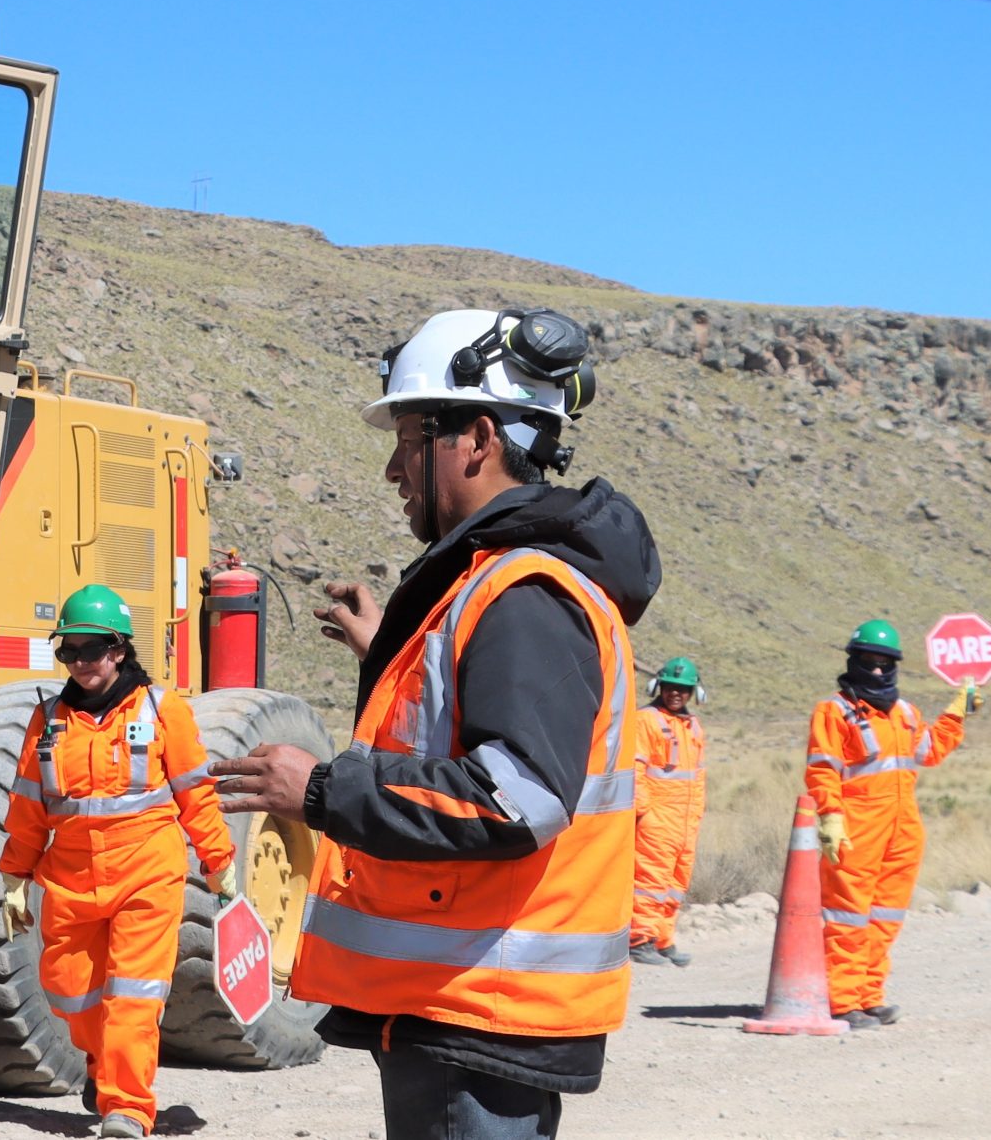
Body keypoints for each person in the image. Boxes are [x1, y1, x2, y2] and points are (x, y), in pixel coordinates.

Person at [214, 307, 660, 1140]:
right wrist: (385, 647)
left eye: (410, 435)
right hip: (461, 1004)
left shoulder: (523, 595)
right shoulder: (494, 586)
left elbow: (516, 797)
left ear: (477, 438)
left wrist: (319, 789)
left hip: (479, 1014)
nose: (393, 467)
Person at [0, 585, 238, 1139]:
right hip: (71, 877)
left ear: (120, 649)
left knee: (132, 995)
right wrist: (14, 876)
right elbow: (29, 805)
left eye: (93, 649)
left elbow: (195, 792)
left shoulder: (161, 709)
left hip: (147, 871)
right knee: (70, 990)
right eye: (70, 651)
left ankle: (126, 1108)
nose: (81, 662)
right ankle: (101, 1066)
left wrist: (217, 859)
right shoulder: (48, 719)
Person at [803, 619, 975, 1026]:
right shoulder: (834, 711)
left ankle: (869, 994)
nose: (878, 671)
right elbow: (823, 769)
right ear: (854, 661)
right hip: (856, 830)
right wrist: (830, 816)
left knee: (885, 917)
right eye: (869, 662)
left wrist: (957, 711)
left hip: (902, 829)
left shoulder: (906, 713)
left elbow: (929, 752)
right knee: (848, 916)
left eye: (886, 663)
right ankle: (842, 1000)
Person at [627, 657, 708, 969]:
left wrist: (697, 813)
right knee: (650, 880)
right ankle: (639, 939)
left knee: (676, 882)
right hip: (658, 819)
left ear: (694, 693)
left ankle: (663, 939)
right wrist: (644, 812)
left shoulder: (693, 726)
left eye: (684, 689)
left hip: (686, 821)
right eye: (671, 687)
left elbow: (697, 776)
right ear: (658, 687)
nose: (677, 693)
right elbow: (634, 768)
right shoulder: (646, 720)